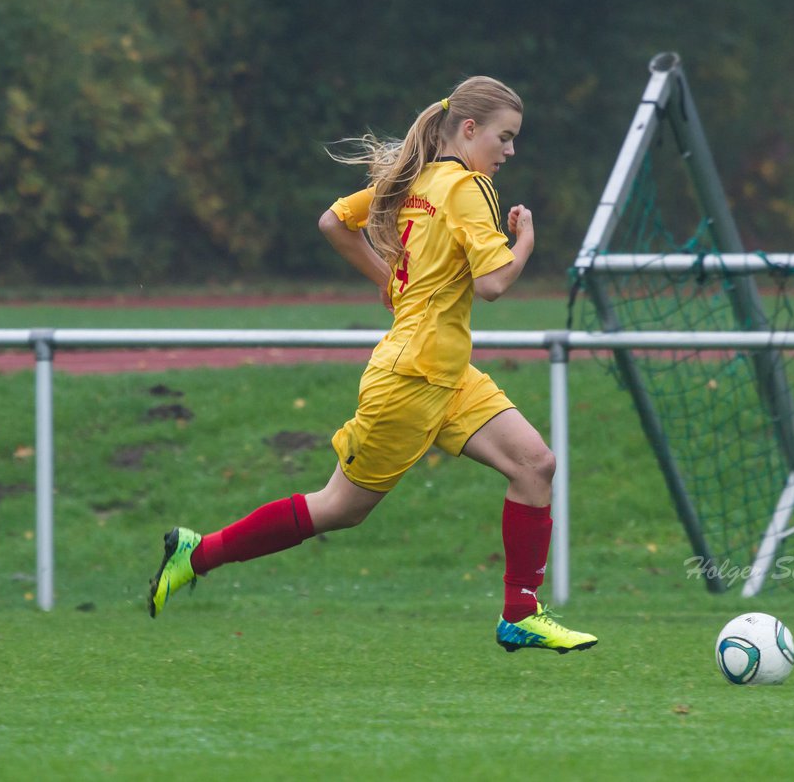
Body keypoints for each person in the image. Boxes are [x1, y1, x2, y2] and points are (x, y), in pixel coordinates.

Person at [148, 76, 596, 654]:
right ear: (468, 129)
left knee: (535, 464)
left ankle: (521, 614)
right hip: (410, 380)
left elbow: (333, 222)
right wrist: (526, 241)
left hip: (449, 373)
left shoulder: (413, 179)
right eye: (504, 138)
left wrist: (389, 280)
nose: (510, 151)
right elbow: (493, 284)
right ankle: (197, 552)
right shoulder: (468, 186)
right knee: (338, 508)